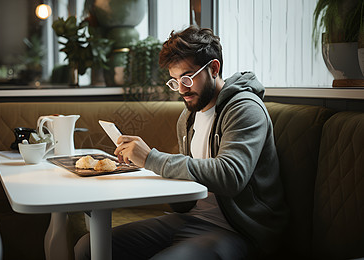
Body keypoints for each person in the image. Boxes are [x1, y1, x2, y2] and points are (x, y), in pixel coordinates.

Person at [75, 26, 288, 259]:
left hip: (240, 230)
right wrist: (143, 168)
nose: (182, 90)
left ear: (214, 68)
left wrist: (151, 158)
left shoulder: (245, 109)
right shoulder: (188, 117)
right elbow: (190, 175)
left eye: (187, 78)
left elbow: (231, 175)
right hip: (191, 218)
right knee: (88, 247)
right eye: (175, 81)